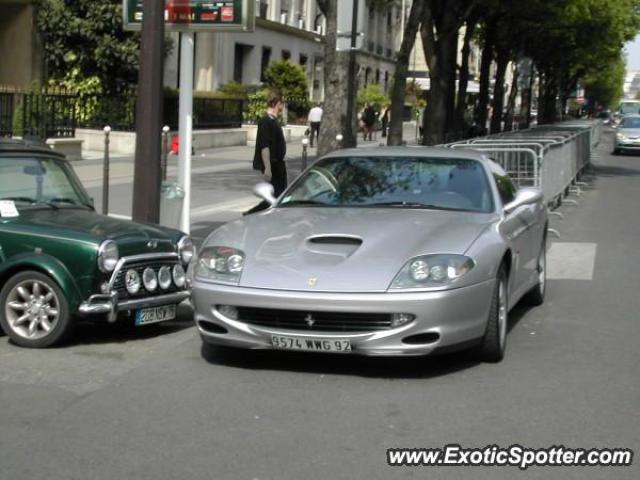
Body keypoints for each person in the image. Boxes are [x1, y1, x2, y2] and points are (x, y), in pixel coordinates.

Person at [244, 90, 287, 215]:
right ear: (275, 103)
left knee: (278, 195)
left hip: (278, 164)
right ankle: (251, 215)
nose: (282, 107)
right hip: (273, 164)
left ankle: (259, 215)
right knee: (275, 197)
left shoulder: (273, 121)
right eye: (281, 104)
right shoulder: (266, 121)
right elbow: (265, 146)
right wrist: (267, 167)